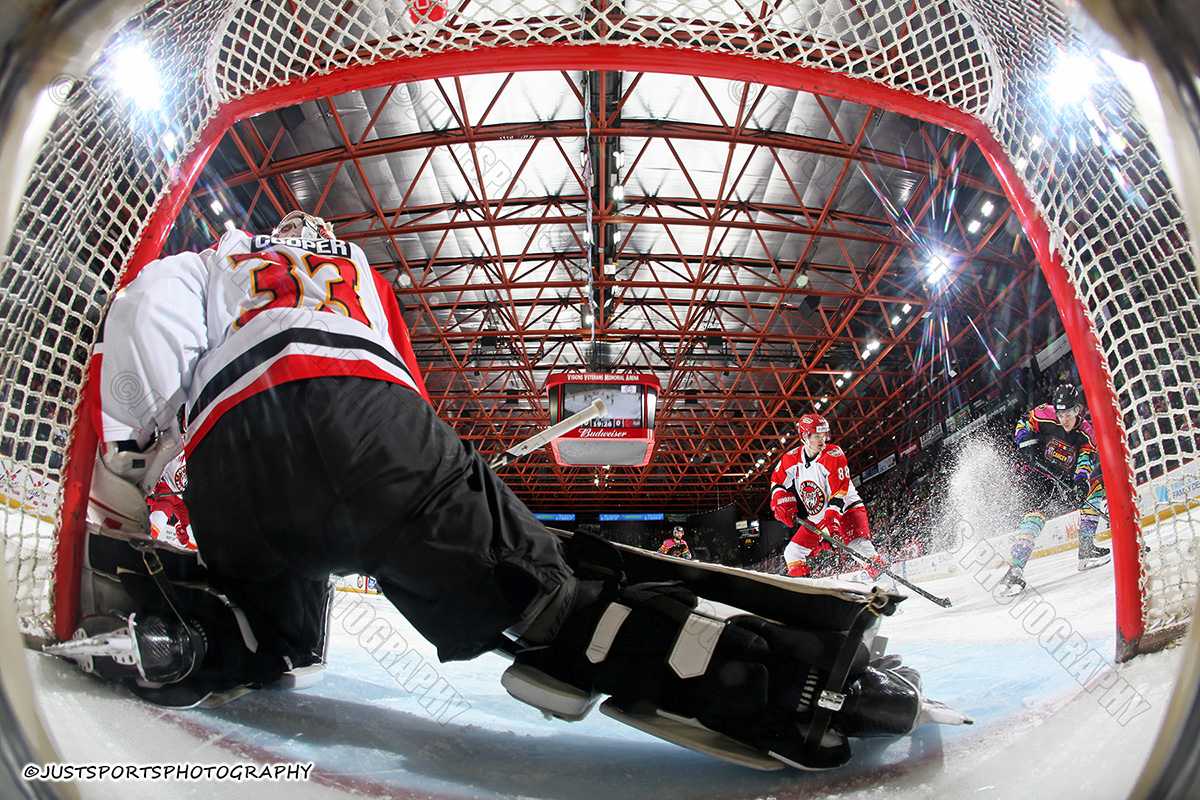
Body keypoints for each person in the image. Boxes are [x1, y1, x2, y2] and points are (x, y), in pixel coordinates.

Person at [57, 211, 957, 768]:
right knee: (547, 599)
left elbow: (137, 327)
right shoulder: (356, 274)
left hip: (235, 475)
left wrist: (138, 460)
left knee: (280, 639)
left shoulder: (207, 264)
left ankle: (190, 639)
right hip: (366, 432)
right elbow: (397, 386)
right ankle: (801, 683)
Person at [998, 383, 1109, 595]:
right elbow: (1023, 423)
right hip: (1038, 476)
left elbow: (1085, 459)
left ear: (1078, 409)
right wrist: (1025, 443)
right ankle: (1015, 570)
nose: (1064, 419)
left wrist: (1080, 482)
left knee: (1094, 488)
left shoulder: (1085, 432)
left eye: (1069, 413)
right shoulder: (1044, 414)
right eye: (1061, 414)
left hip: (1063, 481)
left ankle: (1086, 550)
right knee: (1035, 516)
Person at [770, 413, 891, 587]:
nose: (822, 440)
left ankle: (888, 588)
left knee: (861, 549)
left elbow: (838, 496)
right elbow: (777, 481)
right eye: (817, 436)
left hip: (846, 509)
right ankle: (808, 595)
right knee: (792, 553)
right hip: (819, 517)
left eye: (824, 435)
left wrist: (830, 527)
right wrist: (779, 497)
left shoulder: (834, 455)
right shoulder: (791, 458)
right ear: (805, 436)